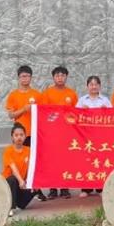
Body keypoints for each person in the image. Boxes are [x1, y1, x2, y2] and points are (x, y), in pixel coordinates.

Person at [5, 65, 46, 201]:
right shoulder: (13, 95)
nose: (25, 78)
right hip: (21, 135)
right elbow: (11, 115)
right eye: (23, 76)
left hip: (35, 133)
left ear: (31, 78)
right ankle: (22, 187)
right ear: (18, 78)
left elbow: (44, 112)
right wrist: (24, 109)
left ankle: (37, 190)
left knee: (36, 162)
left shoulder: (37, 94)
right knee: (23, 163)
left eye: (28, 76)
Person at [42, 66, 78, 199]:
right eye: (57, 75)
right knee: (52, 160)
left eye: (62, 75)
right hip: (52, 133)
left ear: (66, 77)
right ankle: (52, 188)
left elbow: (76, 113)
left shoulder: (72, 93)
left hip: (67, 133)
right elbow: (44, 112)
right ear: (53, 77)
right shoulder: (47, 93)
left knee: (65, 160)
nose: (60, 78)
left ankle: (64, 188)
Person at [75, 75, 111, 197]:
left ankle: (100, 187)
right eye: (91, 84)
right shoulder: (82, 101)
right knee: (86, 161)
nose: (94, 86)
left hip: (101, 136)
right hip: (85, 136)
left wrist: (106, 111)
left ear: (99, 86)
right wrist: (81, 111)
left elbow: (113, 116)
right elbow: (74, 116)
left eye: (96, 84)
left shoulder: (105, 100)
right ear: (87, 86)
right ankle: (86, 189)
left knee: (101, 161)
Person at [2, 123, 36, 216]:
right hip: (9, 183)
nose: (19, 137)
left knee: (36, 187)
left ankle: (19, 202)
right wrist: (21, 180)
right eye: (16, 135)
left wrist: (31, 182)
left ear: (25, 136)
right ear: (12, 137)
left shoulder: (28, 150)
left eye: (21, 135)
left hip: (21, 184)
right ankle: (10, 207)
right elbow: (13, 168)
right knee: (13, 179)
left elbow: (31, 167)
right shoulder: (8, 150)